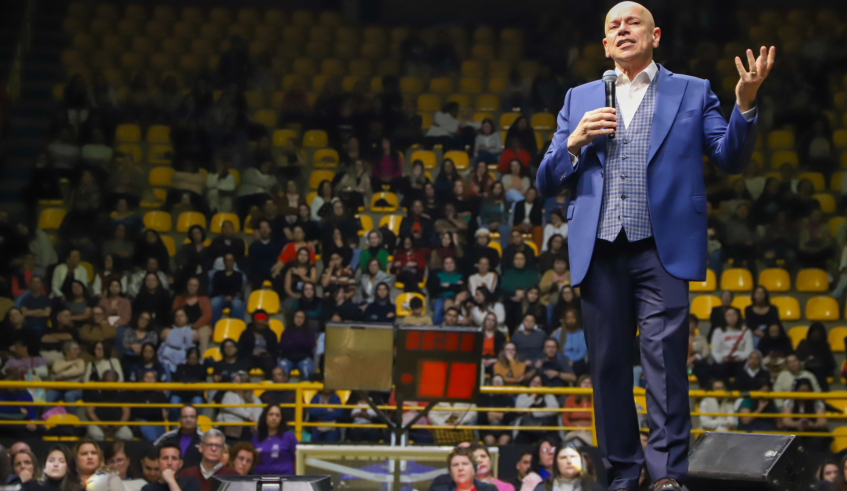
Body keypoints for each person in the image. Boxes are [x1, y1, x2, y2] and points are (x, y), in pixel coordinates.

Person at [535, 2, 772, 487]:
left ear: (655, 35)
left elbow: (728, 157)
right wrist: (574, 141)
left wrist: (744, 104)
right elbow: (545, 179)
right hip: (599, 251)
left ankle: (666, 476)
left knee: (664, 366)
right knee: (607, 370)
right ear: (605, 44)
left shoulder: (691, 90)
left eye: (633, 23)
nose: (623, 31)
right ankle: (623, 474)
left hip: (660, 248)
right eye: (613, 27)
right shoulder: (578, 98)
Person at [781, 377, 830, 451]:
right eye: (801, 391)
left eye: (806, 391)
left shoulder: (817, 403)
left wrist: (812, 425)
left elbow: (823, 423)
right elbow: (786, 421)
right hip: (795, 431)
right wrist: (797, 424)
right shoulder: (789, 402)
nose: (804, 394)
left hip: (813, 432)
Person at [85, 369, 133, 441]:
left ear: (116, 381)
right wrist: (100, 424)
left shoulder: (122, 393)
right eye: (107, 382)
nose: (109, 385)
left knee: (127, 435)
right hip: (97, 424)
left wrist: (119, 425)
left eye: (112, 383)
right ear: (102, 380)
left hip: (117, 425)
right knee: (96, 435)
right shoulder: (95, 392)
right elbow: (89, 412)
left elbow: (126, 412)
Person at [709, 307, 753, 384]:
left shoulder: (746, 331)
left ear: (738, 316)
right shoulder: (718, 331)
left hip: (740, 360)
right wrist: (721, 358)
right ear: (724, 317)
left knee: (744, 369)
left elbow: (749, 350)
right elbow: (715, 350)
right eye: (729, 315)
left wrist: (740, 357)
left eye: (734, 314)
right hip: (724, 361)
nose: (732, 317)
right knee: (718, 368)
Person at [252, 404, 298, 475]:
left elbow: (297, 460)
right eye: (271, 414)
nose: (274, 418)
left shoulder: (289, 437)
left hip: (285, 479)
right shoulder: (256, 438)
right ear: (265, 417)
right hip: (260, 479)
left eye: (277, 415)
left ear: (281, 418)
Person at [514, 375, 560, 444]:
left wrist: (534, 412)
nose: (535, 385)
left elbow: (554, 409)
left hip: (545, 429)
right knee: (520, 440)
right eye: (533, 382)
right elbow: (519, 409)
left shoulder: (548, 395)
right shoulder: (523, 395)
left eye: (538, 383)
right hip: (527, 429)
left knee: (553, 440)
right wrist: (532, 397)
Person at [534, 445, 602, 491]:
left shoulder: (594, 488)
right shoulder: (542, 488)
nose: (569, 461)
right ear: (556, 462)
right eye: (563, 457)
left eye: (573, 456)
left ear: (581, 461)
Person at [217, 371, 263, 440]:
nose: (234, 383)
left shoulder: (254, 399)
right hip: (227, 425)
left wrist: (255, 423)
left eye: (237, 381)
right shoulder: (228, 394)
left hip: (245, 429)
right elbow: (231, 407)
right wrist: (248, 416)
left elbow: (258, 411)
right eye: (234, 381)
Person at [429, 446, 497, 491]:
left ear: (474, 469)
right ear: (450, 471)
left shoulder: (489, 490)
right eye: (455, 465)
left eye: (465, 464)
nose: (460, 468)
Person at [795, 323, 837, 391]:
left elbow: (831, 364)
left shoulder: (824, 346)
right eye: (814, 333)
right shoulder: (803, 344)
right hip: (804, 372)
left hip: (821, 373)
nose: (816, 335)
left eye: (818, 333)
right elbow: (797, 359)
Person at [209, 254, 246, 325]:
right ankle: (213, 328)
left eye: (231, 260)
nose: (229, 262)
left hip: (234, 297)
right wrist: (225, 296)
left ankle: (239, 327)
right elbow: (216, 288)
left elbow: (238, 289)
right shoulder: (218, 274)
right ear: (224, 262)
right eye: (227, 260)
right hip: (220, 296)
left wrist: (231, 296)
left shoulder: (238, 275)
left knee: (237, 305)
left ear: (233, 262)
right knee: (214, 303)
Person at [561, 376, 595, 445]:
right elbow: (565, 419)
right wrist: (574, 429)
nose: (586, 385)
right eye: (584, 383)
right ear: (579, 385)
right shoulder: (571, 399)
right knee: (576, 441)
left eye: (589, 383)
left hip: (591, 433)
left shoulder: (595, 400)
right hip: (574, 432)